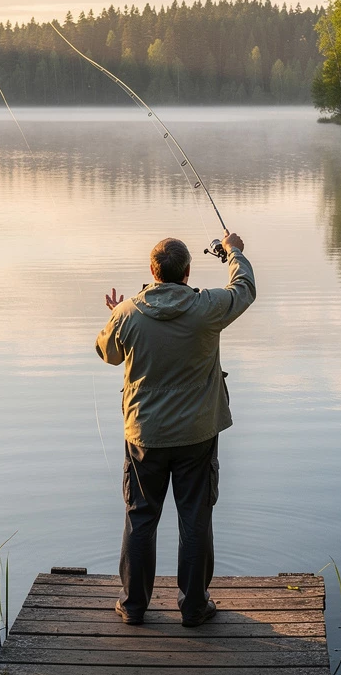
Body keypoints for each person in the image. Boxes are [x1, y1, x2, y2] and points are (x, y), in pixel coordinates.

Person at [95, 229, 256, 627]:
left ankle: (133, 606)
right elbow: (244, 288)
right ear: (187, 272)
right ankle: (194, 607)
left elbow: (108, 353)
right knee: (195, 518)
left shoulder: (128, 312)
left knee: (141, 516)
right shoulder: (208, 307)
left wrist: (116, 314)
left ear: (152, 271)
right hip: (197, 436)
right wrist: (234, 251)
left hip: (144, 437)